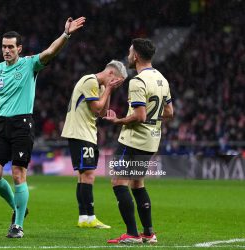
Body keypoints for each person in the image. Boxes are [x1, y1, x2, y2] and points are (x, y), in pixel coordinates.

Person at [0, 17, 86, 238]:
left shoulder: (28, 64)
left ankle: (17, 225)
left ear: (19, 48)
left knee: (18, 174)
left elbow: (50, 52)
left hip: (21, 125)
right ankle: (19, 208)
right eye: (4, 46)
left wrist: (66, 35)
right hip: (1, 126)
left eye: (10, 47)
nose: (6, 50)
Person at [104, 38, 173, 244]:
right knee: (137, 183)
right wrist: (153, 119)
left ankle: (132, 234)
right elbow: (169, 112)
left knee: (118, 181)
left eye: (129, 52)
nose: (128, 56)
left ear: (135, 56)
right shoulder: (162, 79)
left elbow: (140, 115)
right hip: (152, 140)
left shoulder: (137, 81)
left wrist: (118, 120)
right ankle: (149, 233)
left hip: (133, 140)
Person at [61, 60, 127, 229]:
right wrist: (109, 89)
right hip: (80, 132)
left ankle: (84, 217)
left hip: (86, 132)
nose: (117, 85)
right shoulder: (90, 80)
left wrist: (108, 90)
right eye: (117, 81)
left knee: (84, 175)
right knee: (89, 174)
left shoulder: (101, 87)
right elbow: (97, 109)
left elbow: (103, 112)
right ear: (111, 73)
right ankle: (90, 217)